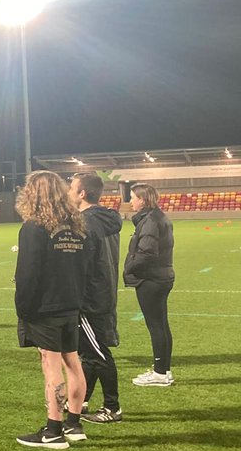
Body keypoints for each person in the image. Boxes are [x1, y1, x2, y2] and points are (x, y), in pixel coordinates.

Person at [13, 171, 90, 450]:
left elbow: (28, 273)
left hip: (44, 307)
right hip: (71, 304)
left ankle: (53, 431)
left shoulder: (34, 227)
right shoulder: (77, 226)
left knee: (51, 364)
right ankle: (74, 423)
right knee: (73, 362)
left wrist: (23, 308)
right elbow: (86, 269)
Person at [70, 173, 124, 423]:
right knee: (90, 352)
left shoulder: (86, 223)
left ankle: (112, 407)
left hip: (90, 298)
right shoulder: (107, 219)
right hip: (104, 292)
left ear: (82, 194)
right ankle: (81, 401)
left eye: (72, 188)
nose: (69, 193)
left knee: (98, 353)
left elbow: (83, 265)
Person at [124, 183, 176, 387]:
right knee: (161, 324)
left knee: (156, 325)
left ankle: (160, 373)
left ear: (142, 200)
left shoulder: (150, 221)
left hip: (151, 279)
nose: (130, 202)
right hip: (161, 276)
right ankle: (164, 370)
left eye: (132, 197)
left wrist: (129, 267)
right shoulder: (156, 217)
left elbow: (147, 253)